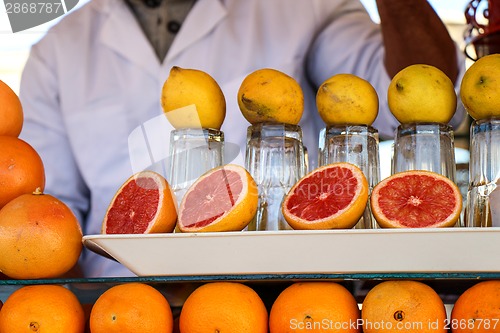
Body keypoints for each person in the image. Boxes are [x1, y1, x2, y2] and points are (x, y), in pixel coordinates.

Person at [19, 0, 466, 278]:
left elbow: (417, 101)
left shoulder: (305, 6)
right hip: (117, 305)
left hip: (281, 298)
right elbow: (46, 218)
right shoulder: (56, 50)